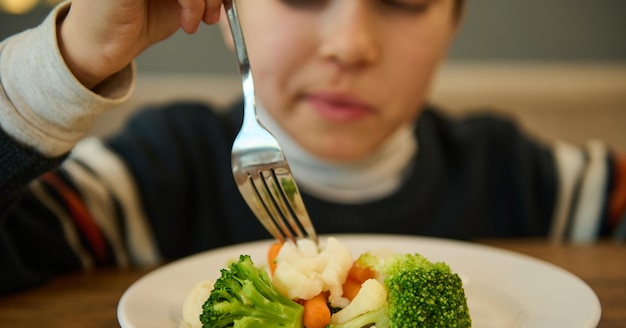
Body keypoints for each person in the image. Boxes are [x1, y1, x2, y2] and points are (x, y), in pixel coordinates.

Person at [1, 0, 624, 293]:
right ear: (226, 10)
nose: (350, 44)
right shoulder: (149, 175)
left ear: (454, 24)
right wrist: (64, 69)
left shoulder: (520, 175)